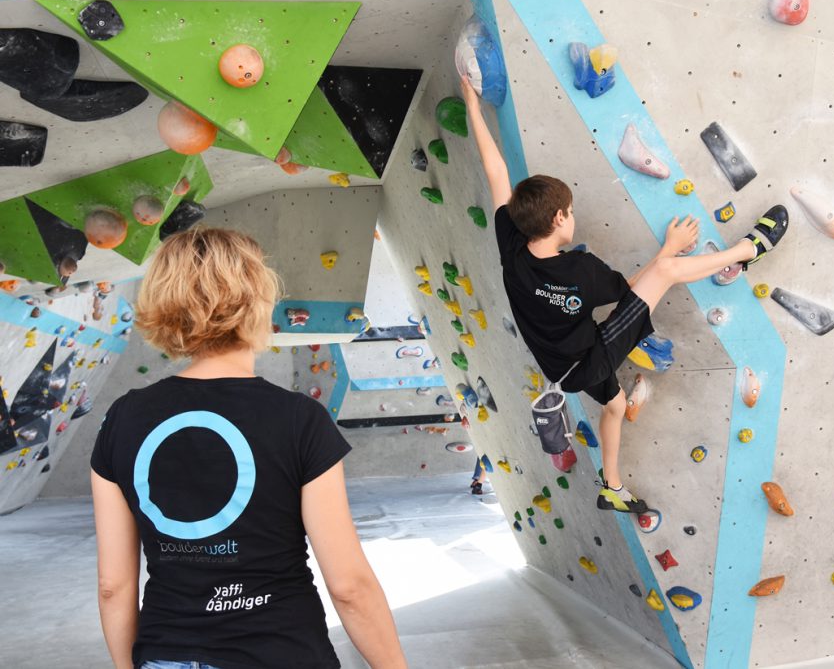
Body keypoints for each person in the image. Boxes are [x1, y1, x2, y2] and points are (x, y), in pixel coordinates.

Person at [461, 75, 788, 514]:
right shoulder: (580, 271)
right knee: (668, 270)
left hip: (561, 364)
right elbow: (636, 291)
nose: (573, 218)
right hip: (591, 355)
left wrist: (470, 100)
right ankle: (748, 252)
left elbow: (494, 171)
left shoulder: (512, 247)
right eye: (571, 213)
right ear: (559, 218)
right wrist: (667, 251)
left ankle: (611, 487)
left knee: (614, 404)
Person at [90, 227, 407, 669]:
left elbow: (113, 585)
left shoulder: (123, 419)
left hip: (167, 654)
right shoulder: (299, 419)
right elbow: (349, 587)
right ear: (257, 302)